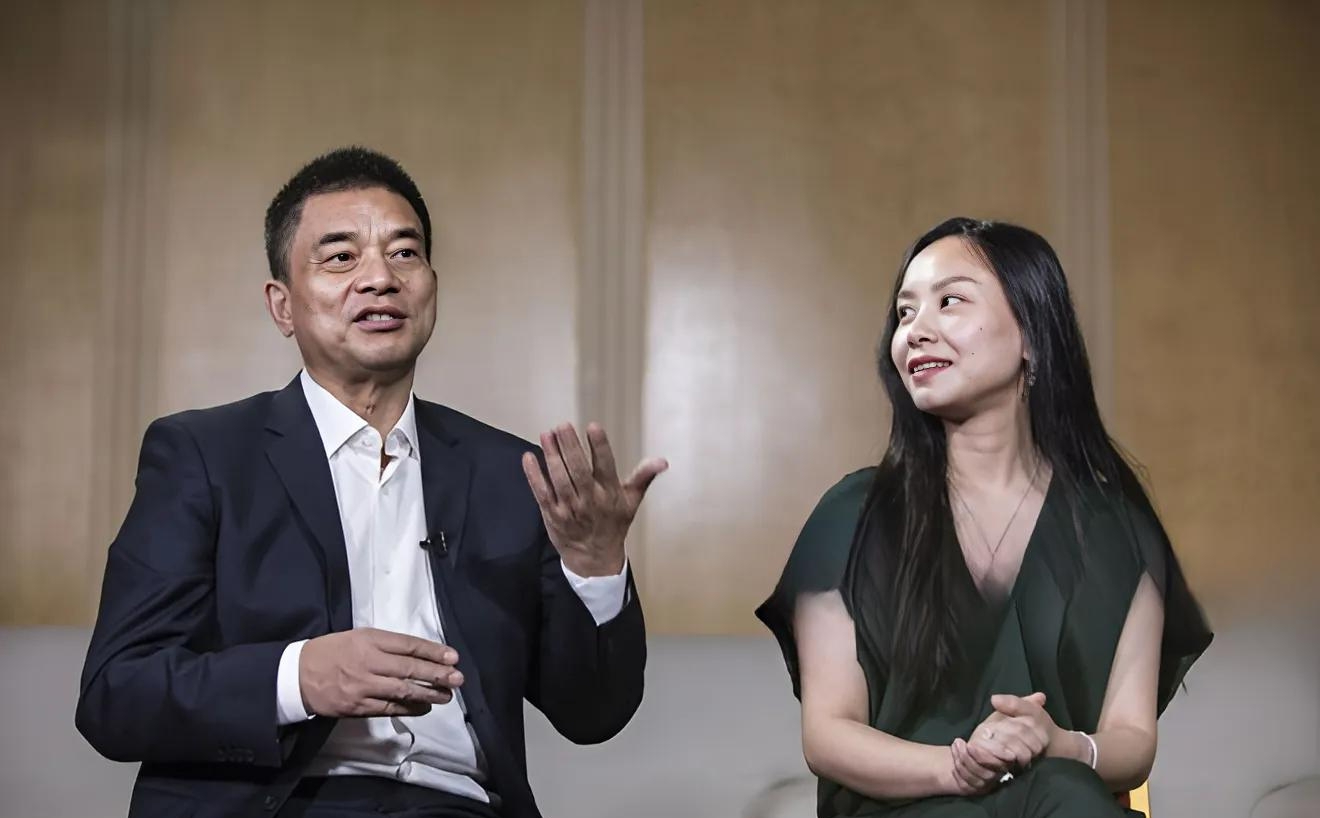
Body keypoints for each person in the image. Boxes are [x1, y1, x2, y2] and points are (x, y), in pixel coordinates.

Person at [76, 147, 666, 818]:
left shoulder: (511, 474)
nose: (380, 278)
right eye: (340, 257)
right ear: (282, 306)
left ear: (432, 287)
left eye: (404, 253)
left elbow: (594, 713)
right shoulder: (205, 456)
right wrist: (300, 678)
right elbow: (115, 695)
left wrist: (595, 567)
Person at [757, 218, 1212, 817]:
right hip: (904, 807)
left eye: (950, 301)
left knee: (1067, 793)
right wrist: (958, 767)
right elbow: (828, 733)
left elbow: (1131, 740)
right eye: (905, 312)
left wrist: (1062, 744)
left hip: (1058, 801)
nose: (916, 331)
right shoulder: (853, 517)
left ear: (1032, 336)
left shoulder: (1118, 530)